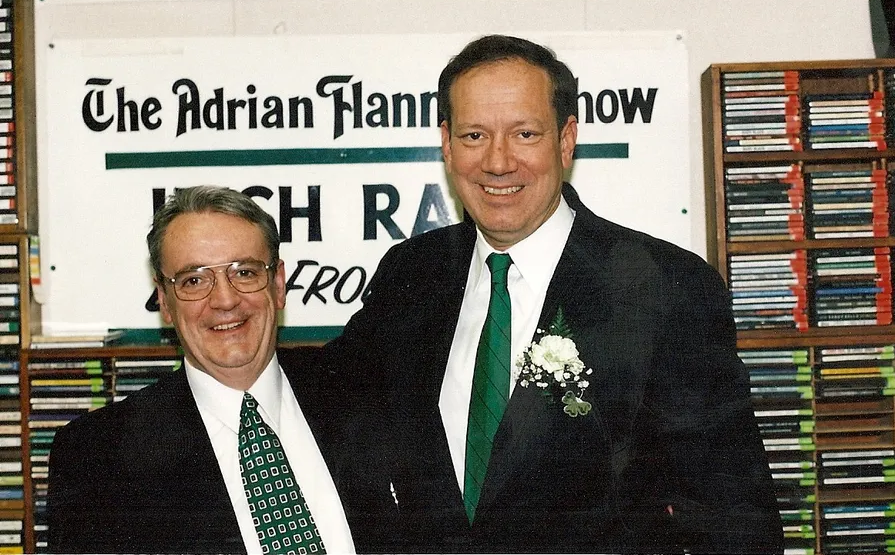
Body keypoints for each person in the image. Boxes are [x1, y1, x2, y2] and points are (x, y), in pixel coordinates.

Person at [329, 35, 784, 554]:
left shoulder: (663, 288)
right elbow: (331, 409)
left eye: (524, 134)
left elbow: (734, 519)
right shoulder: (411, 274)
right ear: (447, 145)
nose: (498, 162)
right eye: (475, 135)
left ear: (566, 140)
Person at [47, 186, 391, 554]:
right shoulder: (97, 458)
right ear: (164, 301)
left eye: (244, 272)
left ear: (278, 284)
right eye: (194, 280)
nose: (225, 300)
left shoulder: (361, 390)